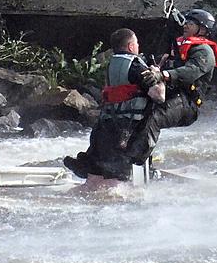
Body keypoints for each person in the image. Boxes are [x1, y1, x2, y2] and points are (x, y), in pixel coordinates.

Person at [123, 9, 217, 167]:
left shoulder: (204, 51)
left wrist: (163, 75)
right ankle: (118, 157)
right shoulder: (182, 47)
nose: (186, 25)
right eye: (186, 22)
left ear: (203, 30)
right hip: (173, 95)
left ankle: (132, 161)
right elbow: (169, 46)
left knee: (154, 118)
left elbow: (191, 72)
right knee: (137, 114)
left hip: (187, 103)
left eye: (191, 24)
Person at [63, 28, 163, 181]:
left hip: (107, 123)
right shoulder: (136, 66)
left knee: (100, 170)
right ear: (131, 46)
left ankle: (88, 172)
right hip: (130, 126)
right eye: (136, 43)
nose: (138, 46)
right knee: (119, 175)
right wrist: (157, 74)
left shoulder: (112, 64)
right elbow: (159, 96)